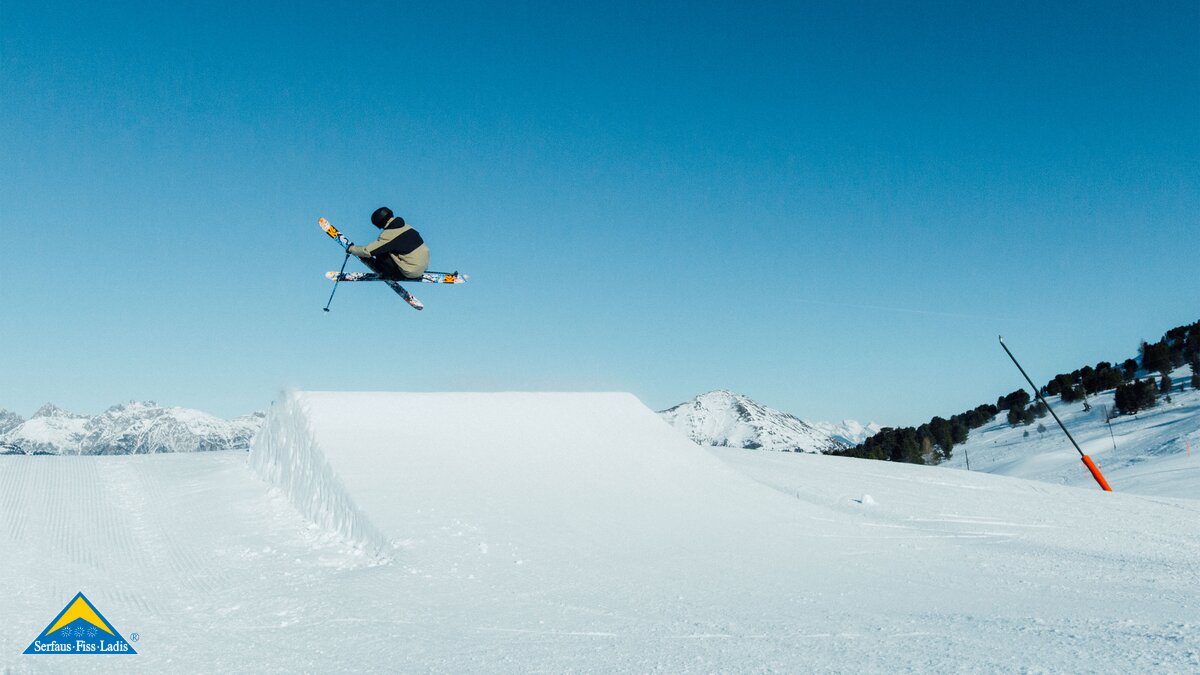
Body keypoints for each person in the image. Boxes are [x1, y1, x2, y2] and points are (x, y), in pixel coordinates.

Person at [347, 206, 430, 280]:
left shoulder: (389, 235)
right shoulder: (408, 227)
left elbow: (367, 251)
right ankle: (410, 267)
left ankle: (387, 272)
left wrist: (351, 248)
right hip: (423, 266)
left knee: (380, 252)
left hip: (410, 272)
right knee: (392, 249)